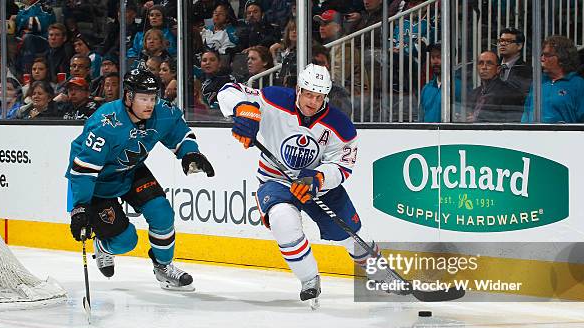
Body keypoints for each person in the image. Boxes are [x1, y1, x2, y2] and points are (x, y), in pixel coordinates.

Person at [217, 64, 382, 304]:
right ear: (298, 89)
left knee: (351, 235)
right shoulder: (274, 99)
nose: (313, 101)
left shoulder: (341, 125)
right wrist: (244, 109)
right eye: (308, 94)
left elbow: (342, 166)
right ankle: (309, 279)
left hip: (318, 185)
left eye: (319, 96)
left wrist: (319, 177)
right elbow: (228, 90)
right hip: (276, 178)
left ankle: (382, 275)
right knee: (282, 220)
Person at [65, 68, 215, 291]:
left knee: (162, 213)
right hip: (96, 184)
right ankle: (104, 247)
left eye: (153, 98)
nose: (149, 104)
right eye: (143, 98)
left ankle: (163, 267)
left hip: (130, 171)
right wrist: (80, 207)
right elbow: (83, 169)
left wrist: (190, 152)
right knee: (126, 242)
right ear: (128, 96)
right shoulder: (105, 124)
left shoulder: (161, 112)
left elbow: (178, 130)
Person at [522, 36, 584, 123]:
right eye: (542, 55)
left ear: (562, 58)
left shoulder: (578, 84)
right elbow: (526, 114)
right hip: (534, 135)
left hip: (566, 135)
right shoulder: (538, 82)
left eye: (547, 55)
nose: (542, 59)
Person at [466, 51, 524, 123]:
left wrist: (479, 119)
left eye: (489, 63)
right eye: (481, 63)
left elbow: (511, 120)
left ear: (498, 69)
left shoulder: (508, 93)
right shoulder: (474, 93)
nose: (484, 67)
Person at [497, 28, 532, 96]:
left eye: (508, 41)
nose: (502, 44)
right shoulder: (494, 66)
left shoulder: (527, 70)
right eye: (501, 40)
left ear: (519, 46)